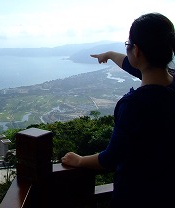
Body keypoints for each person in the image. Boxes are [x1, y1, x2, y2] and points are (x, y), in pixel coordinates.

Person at [61, 13, 175, 207]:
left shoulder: (135, 106)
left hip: (136, 196)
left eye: (128, 44)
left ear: (136, 50)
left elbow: (110, 158)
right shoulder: (170, 82)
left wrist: (79, 160)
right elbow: (139, 68)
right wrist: (111, 55)